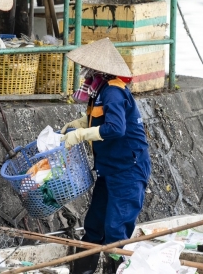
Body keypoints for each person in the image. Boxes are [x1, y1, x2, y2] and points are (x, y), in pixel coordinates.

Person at [59, 38, 151, 274]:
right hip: (108, 170)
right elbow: (98, 119)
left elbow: (116, 129)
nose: (85, 71)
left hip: (127, 171)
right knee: (93, 226)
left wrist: (80, 135)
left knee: (114, 232)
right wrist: (78, 124)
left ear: (100, 69)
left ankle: (115, 269)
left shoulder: (113, 92)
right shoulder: (98, 90)